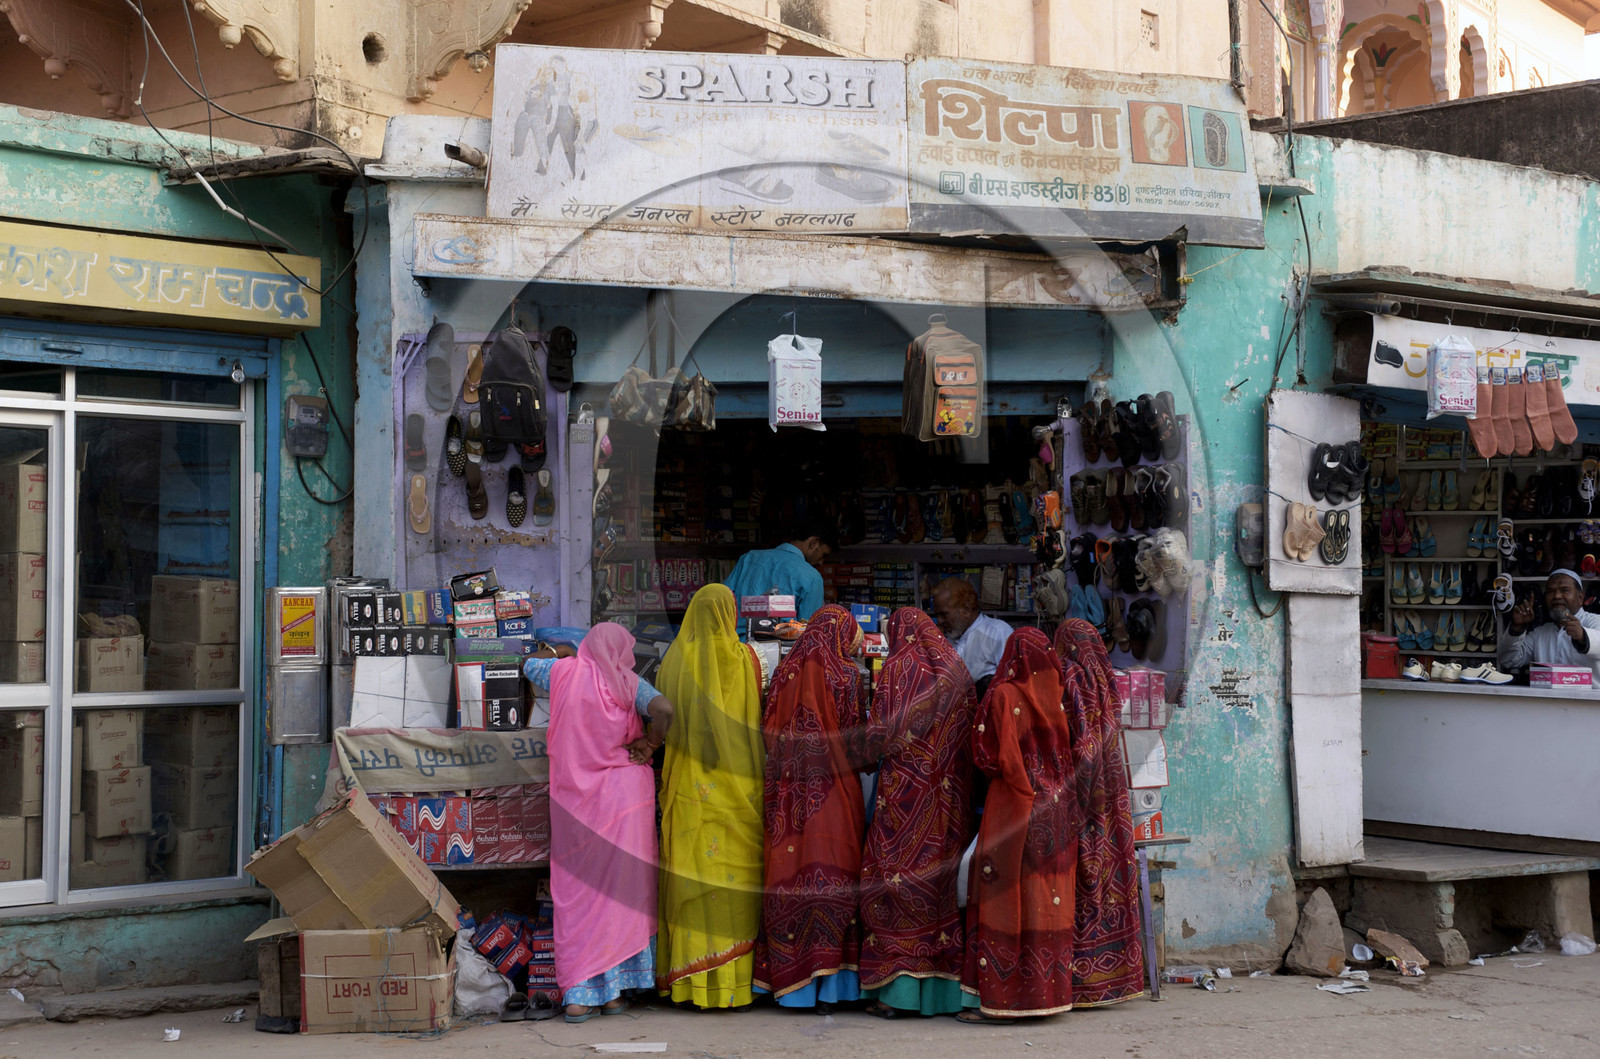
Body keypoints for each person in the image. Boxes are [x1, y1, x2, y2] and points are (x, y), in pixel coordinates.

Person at [525, 625, 674, 1024]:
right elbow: (665, 711)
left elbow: (529, 664)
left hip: (577, 805)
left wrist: (561, 648)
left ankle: (579, 996)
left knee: (580, 892)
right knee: (618, 892)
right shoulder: (630, 682)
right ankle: (613, 994)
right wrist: (651, 744)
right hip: (625, 800)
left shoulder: (562, 672)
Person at [858, 608, 977, 1019]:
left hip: (905, 801)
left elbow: (877, 737)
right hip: (949, 802)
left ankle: (897, 995)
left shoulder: (898, 670)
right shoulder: (957, 670)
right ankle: (943, 994)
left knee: (897, 885)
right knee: (939, 891)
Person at [655, 585, 769, 1010]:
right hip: (739, 786)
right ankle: (734, 985)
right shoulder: (745, 660)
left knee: (694, 873)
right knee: (734, 880)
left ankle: (690, 985)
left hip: (688, 786)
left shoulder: (672, 659)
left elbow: (664, 716)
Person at [959, 627, 1076, 1022]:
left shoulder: (1005, 694)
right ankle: (1047, 996)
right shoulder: (1056, 694)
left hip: (1014, 806)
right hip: (1056, 809)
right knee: (1046, 901)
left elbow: (990, 757)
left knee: (1006, 901)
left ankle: (1003, 1000)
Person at [756, 605, 867, 1013]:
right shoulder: (847, 675)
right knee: (835, 869)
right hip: (836, 788)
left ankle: (788, 982)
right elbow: (856, 738)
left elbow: (767, 728)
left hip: (787, 789)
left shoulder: (785, 671)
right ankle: (833, 987)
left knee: (788, 870)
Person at [1054, 618, 1146, 1007]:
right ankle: (1119, 979)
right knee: (1112, 877)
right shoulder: (1106, 677)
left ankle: (1085, 982)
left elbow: (1083, 745)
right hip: (1113, 793)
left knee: (1085, 880)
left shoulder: (1071, 676)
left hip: (1087, 794)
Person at [722, 515, 835, 629]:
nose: (821, 562)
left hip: (734, 644)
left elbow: (721, 601)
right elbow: (810, 632)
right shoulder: (812, 577)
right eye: (823, 555)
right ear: (814, 543)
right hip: (782, 646)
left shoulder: (748, 558)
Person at [1501, 568, 1600, 678]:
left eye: (1565, 590)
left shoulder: (1595, 621)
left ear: (1580, 597)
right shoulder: (1540, 633)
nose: (1557, 596)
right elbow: (1508, 660)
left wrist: (1583, 636)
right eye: (1551, 591)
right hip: (1547, 695)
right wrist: (1517, 628)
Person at [929, 578, 1012, 696]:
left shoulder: (998, 633)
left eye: (944, 614)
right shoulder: (945, 639)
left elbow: (1012, 687)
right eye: (937, 614)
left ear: (966, 610)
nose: (940, 620)